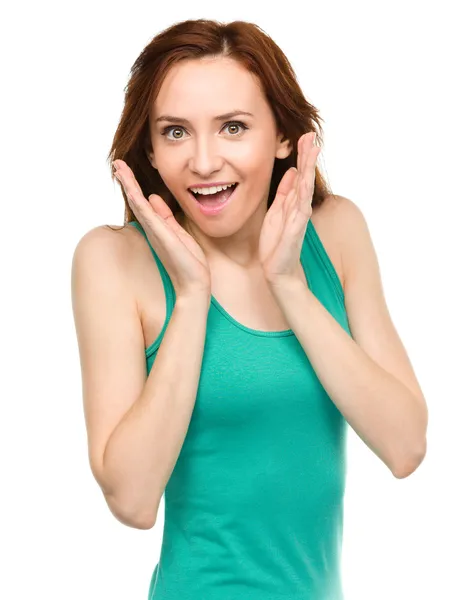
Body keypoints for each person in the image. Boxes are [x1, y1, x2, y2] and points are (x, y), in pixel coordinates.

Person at [71, 18, 428, 600]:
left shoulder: (335, 233)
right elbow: (131, 501)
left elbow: (405, 445)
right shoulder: (113, 261)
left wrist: (288, 283)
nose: (205, 161)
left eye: (233, 127)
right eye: (176, 132)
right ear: (152, 151)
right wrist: (191, 296)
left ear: (284, 137)